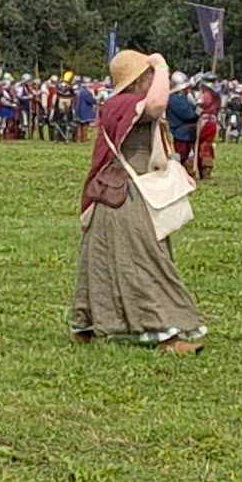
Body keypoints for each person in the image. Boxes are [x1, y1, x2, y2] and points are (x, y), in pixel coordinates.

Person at [70, 50, 205, 354]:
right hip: (126, 196)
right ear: (139, 78)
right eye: (148, 76)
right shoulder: (123, 103)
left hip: (123, 193)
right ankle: (165, 333)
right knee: (143, 261)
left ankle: (88, 325)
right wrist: (161, 66)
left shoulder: (121, 104)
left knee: (104, 261)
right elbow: (157, 105)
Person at [166, 72, 197, 170]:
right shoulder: (174, 99)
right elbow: (189, 115)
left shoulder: (181, 97)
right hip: (179, 133)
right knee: (180, 159)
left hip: (185, 133)